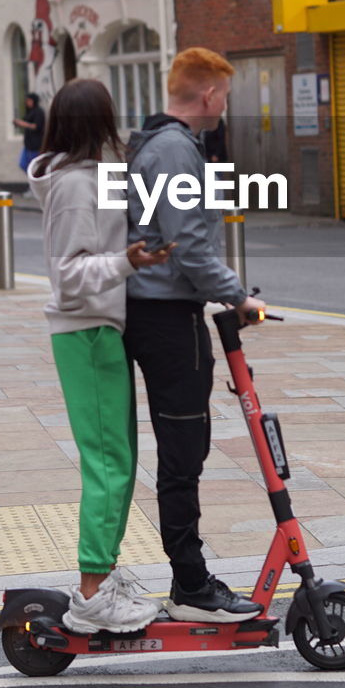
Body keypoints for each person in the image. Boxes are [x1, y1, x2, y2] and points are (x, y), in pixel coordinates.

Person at [124, 47, 266, 623]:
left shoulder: (153, 144)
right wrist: (238, 295)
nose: (225, 106)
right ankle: (191, 585)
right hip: (168, 319)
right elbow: (189, 246)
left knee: (181, 449)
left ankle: (190, 576)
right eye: (225, 96)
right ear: (208, 96)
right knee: (184, 452)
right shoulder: (176, 153)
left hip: (153, 314)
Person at [28, 79, 172, 635]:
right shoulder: (71, 187)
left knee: (121, 460)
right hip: (84, 331)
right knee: (109, 465)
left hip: (99, 332)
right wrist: (127, 263)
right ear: (98, 123)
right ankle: (92, 595)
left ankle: (104, 576)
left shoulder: (95, 176)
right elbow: (68, 277)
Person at [14, 93, 45, 181]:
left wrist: (23, 124)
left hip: (35, 145)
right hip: (28, 145)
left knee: (34, 167)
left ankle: (34, 185)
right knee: (23, 164)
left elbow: (36, 126)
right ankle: (32, 183)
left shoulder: (39, 112)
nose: (27, 103)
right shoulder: (29, 112)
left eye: (29, 100)